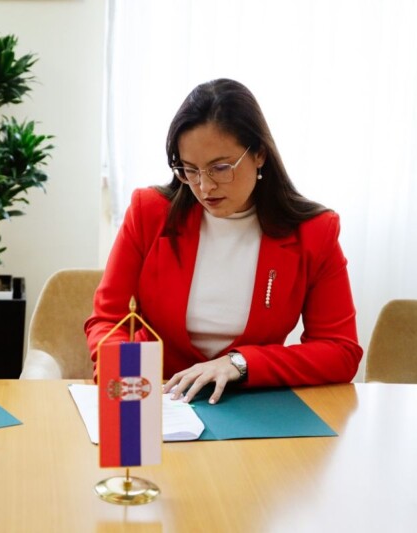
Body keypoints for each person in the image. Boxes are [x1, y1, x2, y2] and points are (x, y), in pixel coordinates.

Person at [85, 78, 362, 404]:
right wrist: (128, 382)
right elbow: (108, 320)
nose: (204, 187)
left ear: (259, 154)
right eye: (189, 170)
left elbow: (340, 350)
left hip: (251, 404)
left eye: (220, 168)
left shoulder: (313, 232)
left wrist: (240, 364)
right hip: (156, 399)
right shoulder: (150, 213)